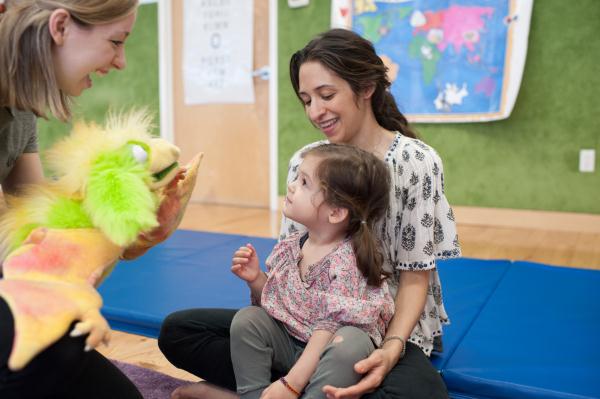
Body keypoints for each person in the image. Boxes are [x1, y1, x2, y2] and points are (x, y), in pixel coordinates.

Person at [159, 28, 461, 399]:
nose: (315, 112)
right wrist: (259, 284)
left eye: (326, 95)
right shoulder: (307, 161)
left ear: (365, 88)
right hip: (302, 324)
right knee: (179, 331)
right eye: (306, 100)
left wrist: (389, 350)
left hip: (374, 330)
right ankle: (308, 385)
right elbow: (293, 269)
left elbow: (416, 277)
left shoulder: (416, 162)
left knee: (421, 394)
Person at [0, 1, 142, 398]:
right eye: (115, 42)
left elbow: (30, 219)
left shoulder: (20, 105)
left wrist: (119, 219)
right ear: (60, 26)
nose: (121, 62)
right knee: (49, 351)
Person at [230, 143, 394, 399]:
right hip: (293, 342)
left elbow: (328, 328)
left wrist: (291, 385)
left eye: (305, 182)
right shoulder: (291, 247)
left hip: (329, 349)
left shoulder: (346, 260)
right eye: (297, 178)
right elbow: (279, 304)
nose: (292, 185)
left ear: (336, 212)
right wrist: (257, 279)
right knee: (248, 319)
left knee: (349, 345)